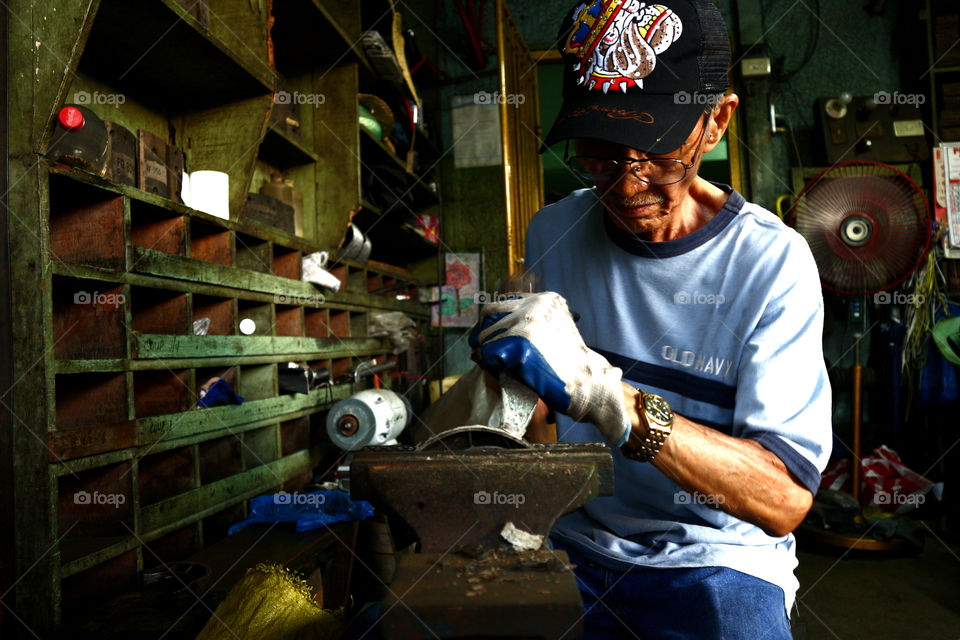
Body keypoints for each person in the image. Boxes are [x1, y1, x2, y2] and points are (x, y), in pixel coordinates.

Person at [469, 1, 832, 638]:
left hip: (719, 558)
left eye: (660, 151)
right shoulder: (554, 229)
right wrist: (508, 385)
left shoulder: (772, 263)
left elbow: (782, 501)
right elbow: (537, 426)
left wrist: (608, 396)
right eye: (603, 154)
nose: (629, 182)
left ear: (716, 121)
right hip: (579, 542)